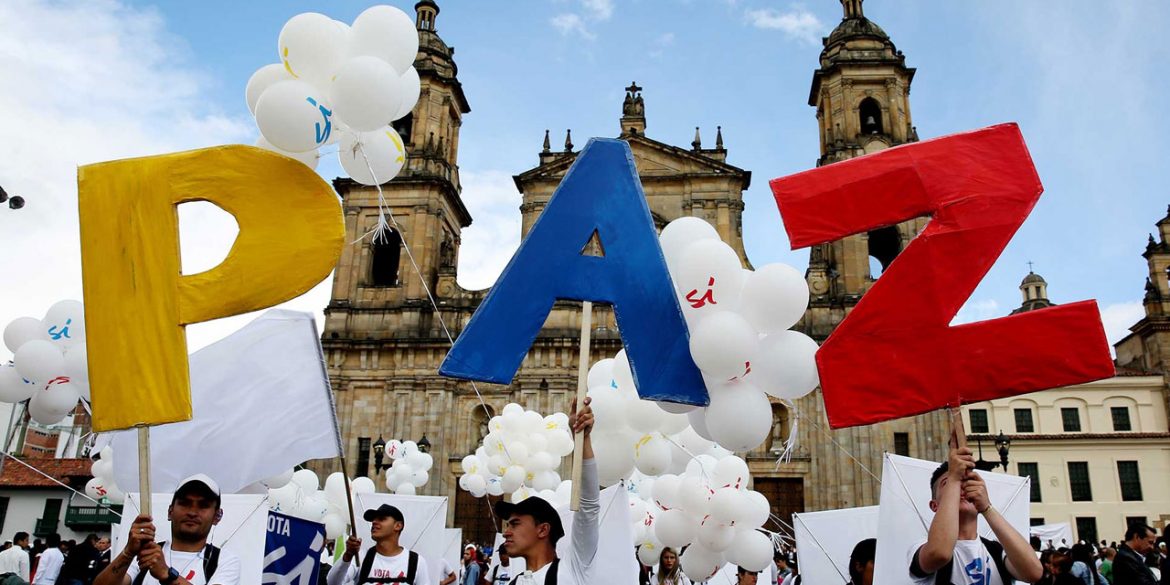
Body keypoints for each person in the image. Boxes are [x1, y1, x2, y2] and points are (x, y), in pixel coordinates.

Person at [909, 431, 1044, 585]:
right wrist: (954, 477)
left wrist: (986, 507)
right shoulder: (921, 546)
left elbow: (1034, 572)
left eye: (966, 481)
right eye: (947, 484)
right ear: (935, 505)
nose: (961, 486)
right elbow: (939, 553)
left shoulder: (996, 551)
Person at [494, 397, 598, 585]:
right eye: (508, 525)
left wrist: (583, 438)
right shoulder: (514, 582)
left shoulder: (572, 570)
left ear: (543, 530)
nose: (506, 533)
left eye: (514, 524)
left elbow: (589, 506)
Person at [95, 474, 242, 585]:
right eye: (184, 503)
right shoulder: (145, 555)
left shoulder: (223, 561)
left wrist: (166, 574)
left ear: (217, 516)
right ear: (170, 511)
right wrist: (128, 553)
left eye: (203, 505)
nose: (192, 512)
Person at [328, 504, 430, 585]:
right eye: (373, 519)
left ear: (398, 526)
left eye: (381, 519)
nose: (374, 522)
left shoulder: (416, 562)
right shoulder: (361, 557)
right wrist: (348, 555)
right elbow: (332, 582)